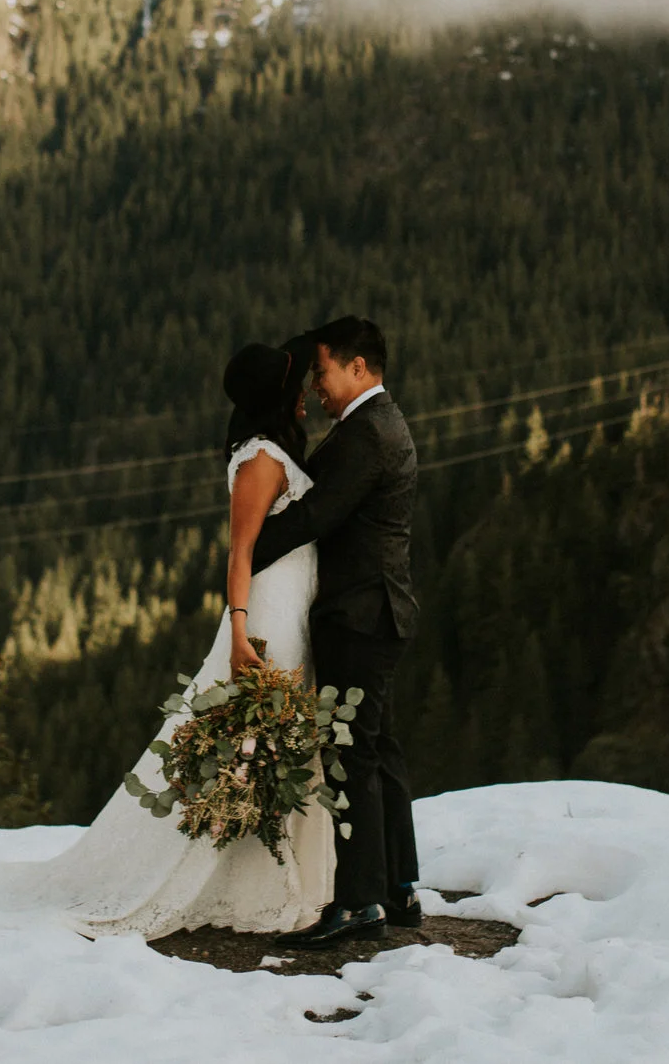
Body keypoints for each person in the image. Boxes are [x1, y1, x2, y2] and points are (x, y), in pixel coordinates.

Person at [0, 335, 335, 935]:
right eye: (295, 385)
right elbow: (241, 553)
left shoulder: (273, 451)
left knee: (274, 746)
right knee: (255, 744)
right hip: (268, 614)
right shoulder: (260, 460)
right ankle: (246, 878)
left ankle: (277, 873)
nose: (305, 394)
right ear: (275, 397)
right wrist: (239, 630)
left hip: (293, 606)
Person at [250, 315, 421, 947]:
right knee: (379, 749)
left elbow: (315, 516)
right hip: (380, 611)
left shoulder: (366, 434)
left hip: (359, 614)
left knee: (350, 754)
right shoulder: (378, 422)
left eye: (322, 371)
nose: (316, 385)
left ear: (358, 367)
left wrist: (244, 552)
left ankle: (357, 902)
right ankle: (397, 889)